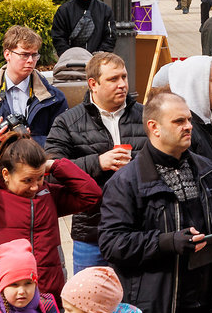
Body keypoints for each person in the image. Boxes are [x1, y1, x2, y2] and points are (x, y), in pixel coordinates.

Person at [100, 91, 212, 313]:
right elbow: (112, 243)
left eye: (189, 120)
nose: (188, 126)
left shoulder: (205, 169)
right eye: (179, 121)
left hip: (201, 305)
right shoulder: (126, 181)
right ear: (154, 128)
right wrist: (167, 242)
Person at [0, 132, 103, 302]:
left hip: (47, 293)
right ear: (6, 174)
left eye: (39, 178)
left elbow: (91, 195)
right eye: (27, 180)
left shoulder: (47, 195)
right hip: (2, 295)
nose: (34, 187)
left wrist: (55, 166)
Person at [45, 52, 148, 274]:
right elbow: (50, 169)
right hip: (91, 232)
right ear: (93, 84)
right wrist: (97, 162)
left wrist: (138, 164)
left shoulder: (146, 116)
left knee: (136, 304)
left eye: (124, 77)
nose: (122, 84)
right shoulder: (67, 122)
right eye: (113, 79)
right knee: (89, 305)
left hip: (140, 229)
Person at [0, 25, 70, 148]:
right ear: (7, 54)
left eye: (34, 55)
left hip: (36, 164)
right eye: (24, 54)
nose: (30, 60)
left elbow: (63, 141)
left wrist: (30, 142)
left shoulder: (53, 96)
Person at [52, 0, 116, 56]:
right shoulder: (64, 10)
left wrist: (100, 55)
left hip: (98, 61)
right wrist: (68, 55)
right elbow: (58, 37)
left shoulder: (104, 9)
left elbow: (110, 36)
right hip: (71, 61)